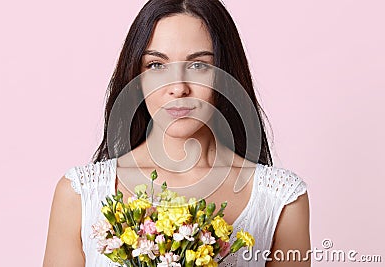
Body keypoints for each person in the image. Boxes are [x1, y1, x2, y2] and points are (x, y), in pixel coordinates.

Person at [43, 0, 311, 266]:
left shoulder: (280, 200)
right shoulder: (80, 194)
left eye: (198, 65)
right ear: (136, 78)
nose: (178, 87)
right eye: (157, 65)